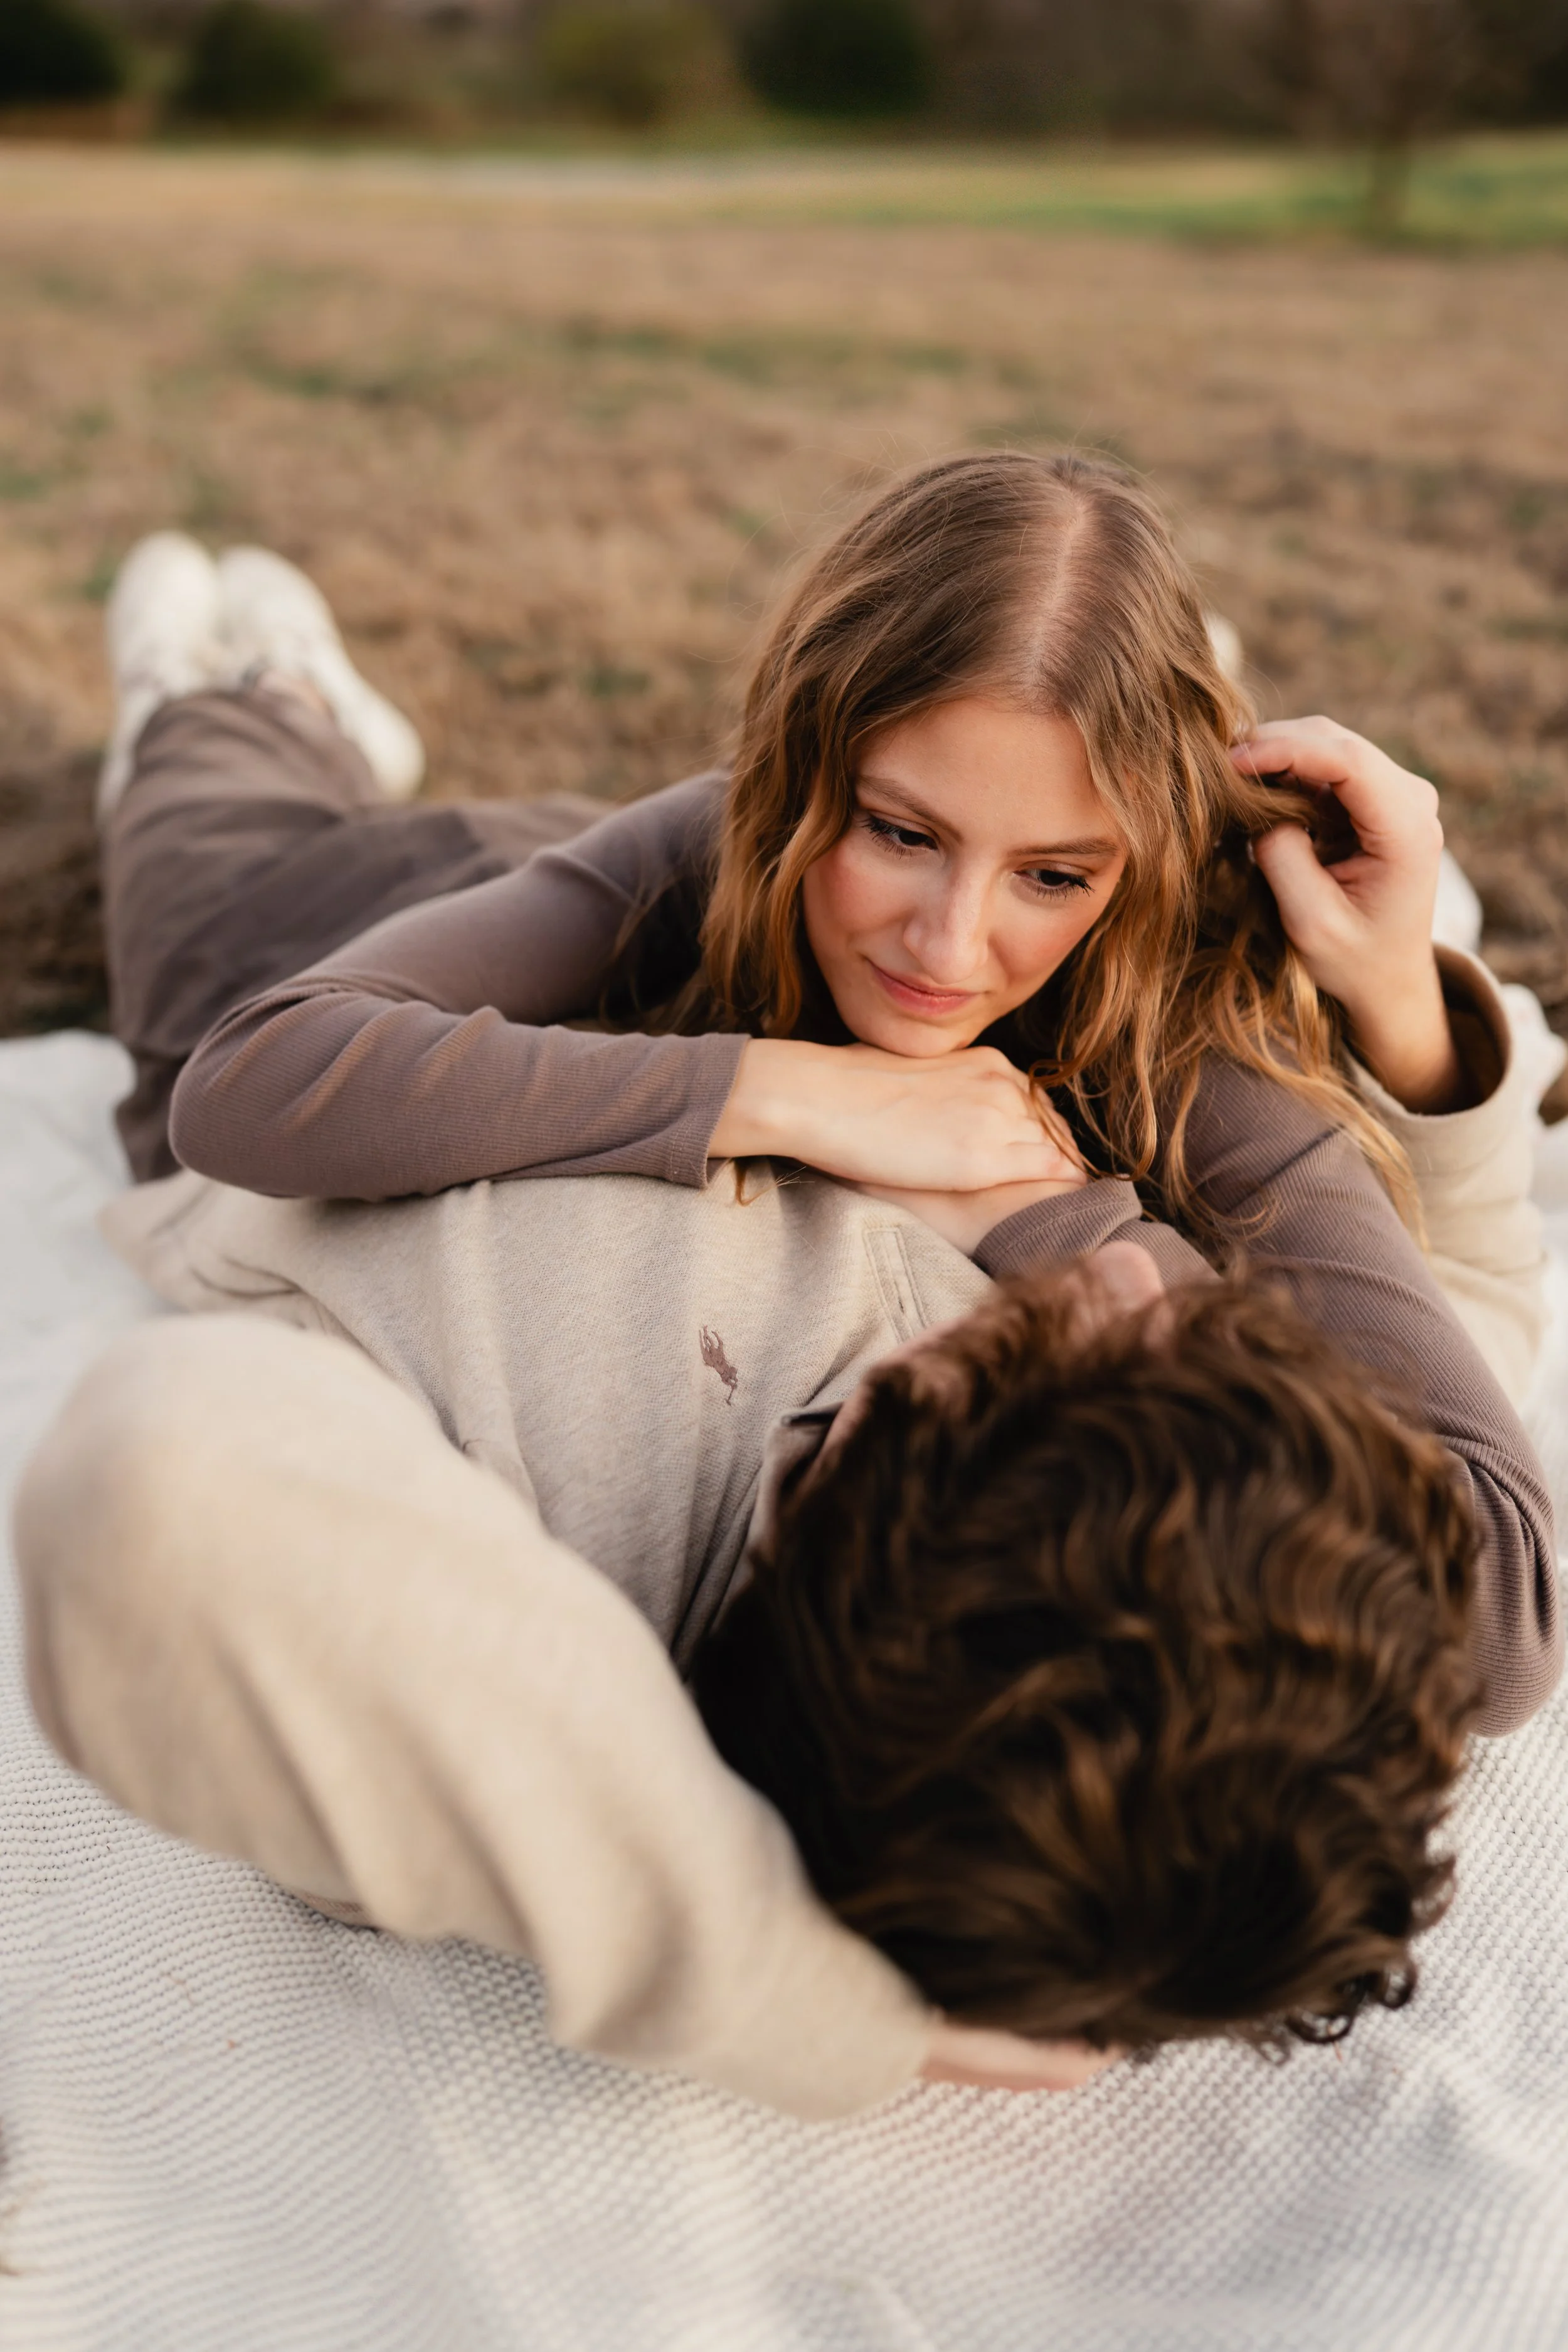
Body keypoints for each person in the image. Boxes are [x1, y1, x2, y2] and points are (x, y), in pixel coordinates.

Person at [21, 464, 1555, 2114]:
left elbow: (1492, 1607)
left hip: (352, 945)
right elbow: (1497, 1598)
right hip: (544, 931)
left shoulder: (1141, 1025)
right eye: (905, 829)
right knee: (301, 817)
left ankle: (243, 685)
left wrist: (1044, 1205)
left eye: (1058, 868)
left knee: (205, 756)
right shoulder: (728, 844)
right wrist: (806, 1091)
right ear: (812, 771)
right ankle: (271, 697)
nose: (954, 946)